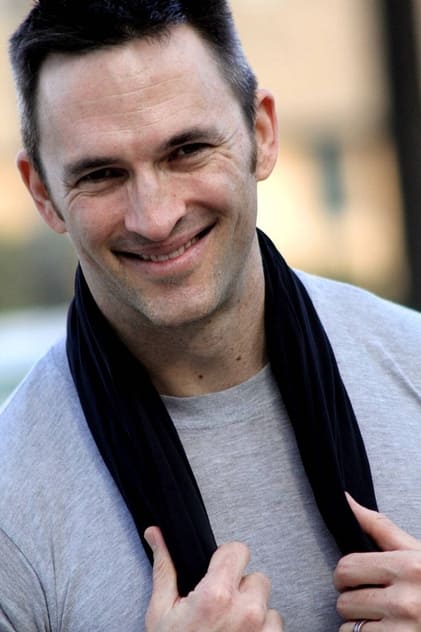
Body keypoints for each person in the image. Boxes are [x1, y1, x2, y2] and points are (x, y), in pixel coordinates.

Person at [2, 1, 421, 630]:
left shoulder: (413, 363)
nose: (155, 217)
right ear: (43, 193)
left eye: (187, 150)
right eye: (102, 174)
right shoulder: (11, 506)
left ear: (262, 134)